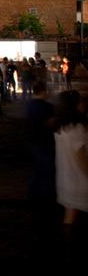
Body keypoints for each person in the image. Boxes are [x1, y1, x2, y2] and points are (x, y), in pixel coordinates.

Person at [52, 90, 88, 255]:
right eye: (81, 101)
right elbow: (83, 160)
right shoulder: (77, 129)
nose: (84, 103)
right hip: (80, 180)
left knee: (70, 217)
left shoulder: (61, 127)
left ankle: (69, 253)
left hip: (66, 177)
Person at [26, 81, 55, 209]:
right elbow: (50, 124)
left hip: (33, 140)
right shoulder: (48, 107)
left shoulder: (29, 105)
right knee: (47, 171)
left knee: (37, 169)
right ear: (43, 91)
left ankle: (32, 194)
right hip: (45, 142)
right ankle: (45, 198)